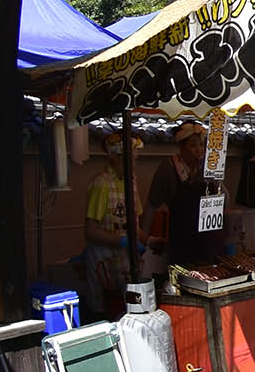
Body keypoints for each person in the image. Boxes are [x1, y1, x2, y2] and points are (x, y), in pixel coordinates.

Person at [146, 121, 224, 269]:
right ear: (181, 147)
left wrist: (217, 180)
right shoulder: (169, 168)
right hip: (182, 241)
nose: (199, 150)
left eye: (201, 145)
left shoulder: (208, 169)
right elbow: (152, 203)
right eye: (193, 145)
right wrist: (144, 239)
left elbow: (224, 201)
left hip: (210, 241)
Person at [80, 133, 134, 319]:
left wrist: (150, 240)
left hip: (124, 262)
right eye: (129, 159)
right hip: (102, 262)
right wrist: (122, 241)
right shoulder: (101, 184)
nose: (133, 164)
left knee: (125, 311)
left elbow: (135, 225)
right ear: (114, 157)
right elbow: (91, 231)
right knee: (103, 313)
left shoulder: (130, 183)